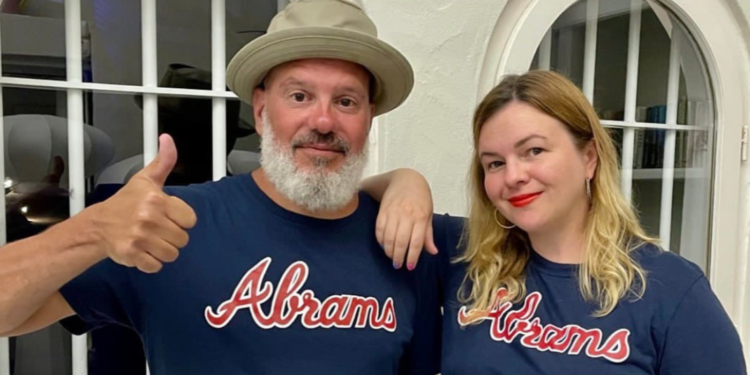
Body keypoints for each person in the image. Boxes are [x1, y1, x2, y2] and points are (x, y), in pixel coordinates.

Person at [0, 1, 443, 374]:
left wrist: (407, 180)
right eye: (299, 96)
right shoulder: (167, 225)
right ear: (262, 108)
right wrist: (93, 230)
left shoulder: (408, 237)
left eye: (346, 101)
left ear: (368, 118)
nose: (323, 122)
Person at [378, 70, 747, 374]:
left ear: (589, 157)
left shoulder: (670, 290)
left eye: (533, 151)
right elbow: (349, 201)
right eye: (495, 162)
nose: (513, 176)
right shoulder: (467, 254)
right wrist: (407, 182)